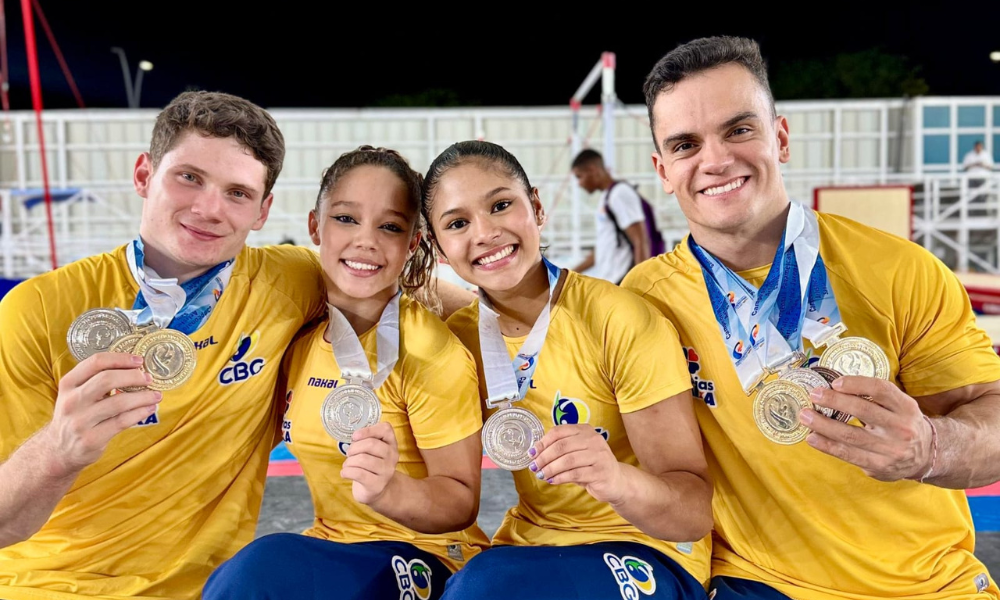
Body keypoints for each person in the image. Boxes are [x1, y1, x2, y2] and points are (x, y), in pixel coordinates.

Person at [0, 91, 475, 600]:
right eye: (189, 177)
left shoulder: (287, 282)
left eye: (237, 192)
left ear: (263, 210)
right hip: (50, 585)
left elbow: (387, 280)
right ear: (144, 175)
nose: (209, 209)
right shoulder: (39, 310)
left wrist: (501, 328)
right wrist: (57, 452)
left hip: (212, 587)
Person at [624, 35, 1000, 600]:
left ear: (779, 137)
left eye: (739, 129)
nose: (716, 160)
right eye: (685, 145)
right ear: (662, 169)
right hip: (756, 583)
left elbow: (989, 416)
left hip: (921, 585)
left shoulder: (901, 270)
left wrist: (932, 446)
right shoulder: (643, 300)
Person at [421, 140, 713, 599]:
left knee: (483, 590)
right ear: (438, 248)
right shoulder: (455, 341)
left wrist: (615, 479)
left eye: (500, 205)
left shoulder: (619, 319)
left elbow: (692, 514)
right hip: (531, 544)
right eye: (458, 223)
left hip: (651, 549)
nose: (485, 232)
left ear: (536, 207)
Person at [202, 146, 490, 600]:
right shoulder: (297, 342)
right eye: (346, 219)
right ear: (315, 226)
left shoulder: (431, 352)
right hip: (333, 546)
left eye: (390, 226)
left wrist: (390, 491)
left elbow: (460, 501)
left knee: (262, 569)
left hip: (431, 556)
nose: (366, 241)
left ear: (412, 243)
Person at [571, 149, 651, 284]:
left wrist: (641, 284)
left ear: (592, 170)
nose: (579, 184)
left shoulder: (619, 193)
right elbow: (603, 247)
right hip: (610, 281)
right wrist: (571, 273)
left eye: (579, 176)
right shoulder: (606, 198)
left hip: (623, 280)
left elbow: (640, 240)